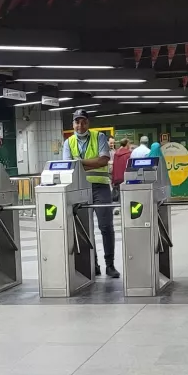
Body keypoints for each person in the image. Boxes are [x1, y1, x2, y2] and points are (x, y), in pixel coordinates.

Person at [62, 109, 120, 278]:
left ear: (88, 123)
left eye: (83, 122)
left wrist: (80, 163)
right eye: (77, 122)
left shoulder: (99, 137)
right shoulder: (69, 142)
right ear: (73, 124)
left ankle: (110, 265)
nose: (80, 125)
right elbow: (68, 166)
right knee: (85, 228)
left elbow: (104, 159)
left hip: (100, 187)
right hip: (79, 188)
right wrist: (90, 163)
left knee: (106, 226)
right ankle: (92, 264)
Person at [111, 138, 132, 203]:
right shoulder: (129, 154)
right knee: (127, 197)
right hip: (125, 178)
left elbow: (114, 166)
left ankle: (118, 209)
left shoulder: (116, 154)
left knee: (119, 197)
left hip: (117, 178)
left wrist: (113, 179)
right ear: (127, 144)